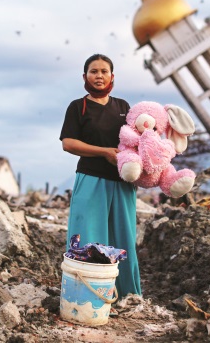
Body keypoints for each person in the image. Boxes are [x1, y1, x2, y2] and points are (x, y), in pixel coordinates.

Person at [59, 53, 142, 299]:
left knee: (123, 238)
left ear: (112, 76)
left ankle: (127, 295)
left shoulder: (123, 107)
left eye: (104, 71)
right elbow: (68, 143)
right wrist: (103, 152)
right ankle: (86, 295)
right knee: (88, 236)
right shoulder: (78, 107)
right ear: (85, 76)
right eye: (94, 71)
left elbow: (135, 140)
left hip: (123, 183)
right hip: (91, 178)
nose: (99, 76)